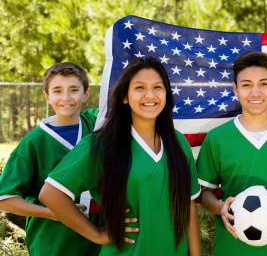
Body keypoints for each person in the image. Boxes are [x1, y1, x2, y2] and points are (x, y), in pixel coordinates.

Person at [39, 56, 202, 255]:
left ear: (167, 94)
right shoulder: (101, 145)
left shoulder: (178, 143)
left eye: (158, 87)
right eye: (140, 87)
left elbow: (189, 207)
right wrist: (97, 234)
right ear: (124, 96)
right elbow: (51, 194)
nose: (150, 95)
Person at [196, 50, 267, 255]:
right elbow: (205, 194)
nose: (255, 93)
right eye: (246, 85)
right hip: (232, 247)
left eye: (264, 84)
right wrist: (220, 207)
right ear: (235, 89)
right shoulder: (217, 138)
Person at [0, 62, 100, 256]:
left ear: (86, 94)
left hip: (96, 238)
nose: (66, 98)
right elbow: (5, 199)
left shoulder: (95, 123)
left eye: (73, 90)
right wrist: (54, 213)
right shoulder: (34, 142)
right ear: (47, 96)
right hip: (54, 241)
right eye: (57, 91)